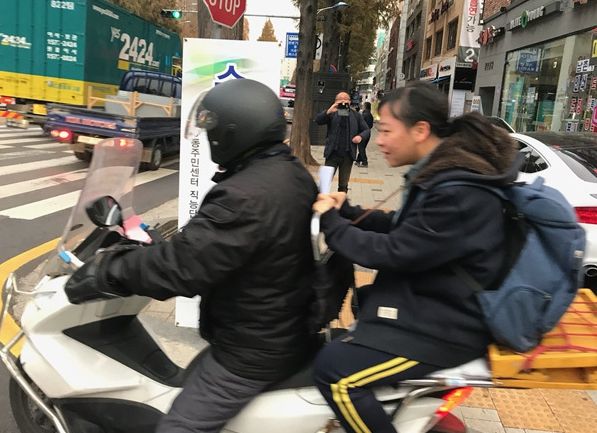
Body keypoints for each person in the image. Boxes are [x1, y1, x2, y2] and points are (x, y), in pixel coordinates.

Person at [65, 79, 319, 433]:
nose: (210, 137)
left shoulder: (246, 195)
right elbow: (218, 246)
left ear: (232, 133)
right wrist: (163, 247)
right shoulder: (285, 171)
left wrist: (108, 270)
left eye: (212, 130)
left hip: (253, 348)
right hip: (275, 327)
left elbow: (182, 268)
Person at [311, 81, 519, 433]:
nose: (379, 141)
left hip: (448, 327)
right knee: (354, 318)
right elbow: (407, 228)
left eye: (387, 131)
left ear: (420, 130)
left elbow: (395, 252)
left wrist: (331, 222)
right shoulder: (443, 174)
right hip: (433, 305)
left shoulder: (457, 190)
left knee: (335, 372)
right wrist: (349, 213)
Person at [315, 91, 371, 193]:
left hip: (348, 155)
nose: (343, 101)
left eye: (346, 99)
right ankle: (321, 202)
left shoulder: (356, 115)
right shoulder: (332, 113)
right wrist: (329, 111)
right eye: (340, 99)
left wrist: (360, 136)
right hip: (332, 154)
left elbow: (366, 130)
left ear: (350, 102)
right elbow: (318, 120)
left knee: (343, 186)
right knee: (324, 184)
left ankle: (341, 202)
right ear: (335, 101)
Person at [355, 101, 374, 168]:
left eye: (363, 106)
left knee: (361, 148)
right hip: (368, 133)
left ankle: (365, 162)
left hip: (362, 134)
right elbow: (371, 125)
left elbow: (359, 124)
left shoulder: (364, 115)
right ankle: (358, 160)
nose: (362, 107)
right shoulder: (370, 115)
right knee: (362, 148)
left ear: (365, 107)